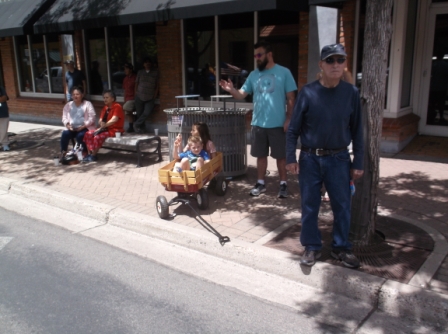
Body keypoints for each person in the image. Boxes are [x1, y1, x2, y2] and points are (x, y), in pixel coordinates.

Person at [286, 43, 364, 268]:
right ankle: (311, 246)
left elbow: (358, 129)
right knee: (310, 205)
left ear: (345, 64)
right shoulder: (308, 92)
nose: (336, 65)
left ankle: (341, 248)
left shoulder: (351, 93)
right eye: (330, 60)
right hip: (310, 159)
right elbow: (293, 129)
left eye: (340, 60)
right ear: (321, 64)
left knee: (342, 205)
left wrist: (358, 161)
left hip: (339, 159)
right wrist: (290, 157)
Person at [219, 41, 297, 198]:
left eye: (259, 55)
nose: (257, 58)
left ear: (269, 54)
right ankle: (260, 183)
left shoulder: (284, 72)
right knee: (261, 156)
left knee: (281, 157)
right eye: (255, 55)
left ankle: (283, 184)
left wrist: (289, 119)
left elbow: (291, 97)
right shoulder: (254, 75)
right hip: (258, 124)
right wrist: (232, 90)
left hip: (278, 124)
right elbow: (242, 94)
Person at [83, 90, 125, 162]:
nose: (105, 99)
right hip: (103, 129)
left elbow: (114, 119)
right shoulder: (105, 108)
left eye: (107, 97)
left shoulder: (117, 106)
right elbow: (100, 119)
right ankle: (89, 153)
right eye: (104, 97)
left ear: (112, 99)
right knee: (88, 133)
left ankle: (93, 155)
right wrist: (101, 123)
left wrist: (104, 125)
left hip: (114, 130)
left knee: (97, 136)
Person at [60, 86, 96, 158]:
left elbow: (92, 117)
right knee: (65, 134)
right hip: (72, 128)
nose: (75, 96)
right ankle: (63, 152)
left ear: (82, 95)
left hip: (85, 127)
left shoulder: (87, 104)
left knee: (80, 136)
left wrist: (83, 126)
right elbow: (64, 117)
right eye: (73, 94)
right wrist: (68, 125)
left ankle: (84, 151)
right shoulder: (68, 105)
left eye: (77, 94)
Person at [134, 57, 159, 133]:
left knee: (146, 112)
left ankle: (136, 124)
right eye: (146, 62)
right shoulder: (140, 72)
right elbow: (136, 83)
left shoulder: (155, 73)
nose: (147, 64)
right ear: (143, 64)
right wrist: (136, 92)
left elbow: (157, 85)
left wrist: (155, 95)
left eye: (149, 62)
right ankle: (142, 129)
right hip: (139, 96)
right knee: (139, 113)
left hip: (150, 97)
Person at [427, 50, 448, 125]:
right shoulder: (445, 65)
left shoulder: (433, 65)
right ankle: (441, 117)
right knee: (441, 104)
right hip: (442, 88)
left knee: (433, 103)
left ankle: (431, 116)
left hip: (434, 87)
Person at [122, 63, 137, 132]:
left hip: (133, 98)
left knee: (125, 107)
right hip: (127, 98)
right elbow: (125, 90)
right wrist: (124, 99)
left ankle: (136, 115)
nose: (125, 70)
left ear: (130, 69)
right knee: (128, 113)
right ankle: (131, 127)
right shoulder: (125, 79)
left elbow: (136, 89)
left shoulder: (135, 77)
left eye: (126, 69)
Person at [0, 85, 10, 151]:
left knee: (3, 129)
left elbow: (5, 97)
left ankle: (5, 144)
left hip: (2, 112)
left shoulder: (0, 87)